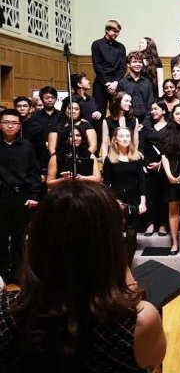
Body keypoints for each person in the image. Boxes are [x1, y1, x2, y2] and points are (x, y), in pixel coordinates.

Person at [0, 181, 166, 371]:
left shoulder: (6, 313)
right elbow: (154, 362)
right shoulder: (139, 320)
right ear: (110, 245)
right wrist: (124, 275)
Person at [0, 109, 41, 284]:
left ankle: (18, 276)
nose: (10, 125)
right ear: (0, 125)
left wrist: (34, 196)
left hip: (21, 197)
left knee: (19, 240)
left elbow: (34, 173)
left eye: (14, 123)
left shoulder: (26, 146)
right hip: (1, 196)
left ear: (19, 125)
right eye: (6, 122)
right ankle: (1, 276)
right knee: (0, 239)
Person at [102, 127, 147, 263]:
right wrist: (112, 201)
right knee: (117, 235)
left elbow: (142, 182)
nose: (126, 139)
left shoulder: (137, 157)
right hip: (117, 200)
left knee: (132, 235)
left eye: (128, 136)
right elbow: (106, 184)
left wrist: (143, 202)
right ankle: (118, 267)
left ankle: (129, 266)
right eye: (122, 136)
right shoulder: (109, 159)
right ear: (115, 139)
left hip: (134, 199)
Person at [161, 104, 180, 255]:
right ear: (172, 115)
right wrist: (169, 175)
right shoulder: (166, 132)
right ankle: (174, 243)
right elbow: (164, 156)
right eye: (177, 114)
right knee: (173, 211)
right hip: (170, 175)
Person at [141, 100, 169, 237]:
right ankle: (150, 223)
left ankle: (163, 224)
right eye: (151, 109)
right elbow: (140, 147)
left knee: (163, 195)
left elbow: (171, 148)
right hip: (147, 165)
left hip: (164, 166)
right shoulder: (146, 127)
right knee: (149, 195)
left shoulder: (170, 127)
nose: (153, 111)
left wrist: (160, 164)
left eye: (156, 109)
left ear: (164, 111)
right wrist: (143, 164)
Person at [91, 20, 127, 116]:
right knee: (99, 113)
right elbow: (97, 65)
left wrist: (115, 83)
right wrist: (107, 83)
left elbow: (123, 68)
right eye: (114, 31)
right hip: (101, 83)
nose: (117, 34)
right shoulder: (97, 44)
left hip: (116, 83)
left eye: (118, 32)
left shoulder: (121, 47)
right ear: (107, 30)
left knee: (117, 113)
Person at [13, 96, 47, 178]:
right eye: (19, 106)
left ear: (30, 108)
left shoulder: (37, 128)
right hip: (12, 166)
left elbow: (41, 152)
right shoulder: (10, 125)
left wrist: (43, 171)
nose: (22, 108)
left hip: (31, 167)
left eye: (25, 106)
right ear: (15, 108)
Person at [118, 51, 155, 124]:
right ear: (128, 64)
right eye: (134, 62)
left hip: (145, 121)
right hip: (127, 120)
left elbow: (150, 104)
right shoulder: (122, 82)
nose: (138, 64)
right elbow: (119, 105)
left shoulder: (147, 82)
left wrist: (145, 123)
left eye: (140, 62)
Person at [101, 92, 139, 158]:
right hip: (114, 156)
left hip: (130, 156)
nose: (129, 104)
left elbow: (135, 142)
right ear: (118, 101)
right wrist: (104, 161)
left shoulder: (134, 120)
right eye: (126, 101)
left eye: (130, 101)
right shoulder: (107, 121)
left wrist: (134, 156)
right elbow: (104, 144)